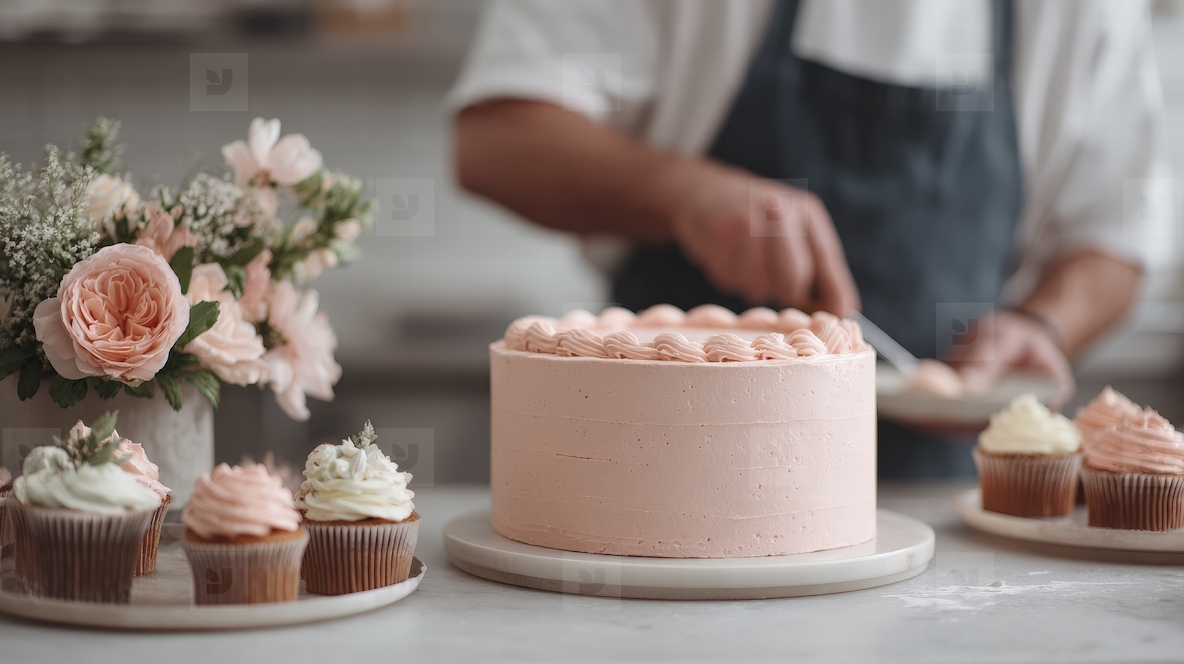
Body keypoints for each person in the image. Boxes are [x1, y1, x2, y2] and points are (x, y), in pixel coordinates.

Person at [446, 0, 1169, 477]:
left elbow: (1114, 234)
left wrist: (1042, 324)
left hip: (943, 499)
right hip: (655, 478)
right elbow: (492, 140)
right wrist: (686, 194)